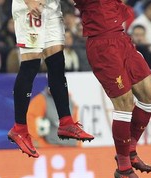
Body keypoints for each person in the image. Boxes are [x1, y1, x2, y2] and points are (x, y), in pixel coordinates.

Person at [74, 0, 151, 178]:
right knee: (124, 103)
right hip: (102, 45)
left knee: (150, 96)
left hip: (122, 39)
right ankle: (124, 168)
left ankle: (130, 149)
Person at [8, 0, 94, 158]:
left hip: (51, 6)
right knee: (31, 64)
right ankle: (19, 129)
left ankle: (66, 122)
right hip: (32, 5)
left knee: (57, 63)